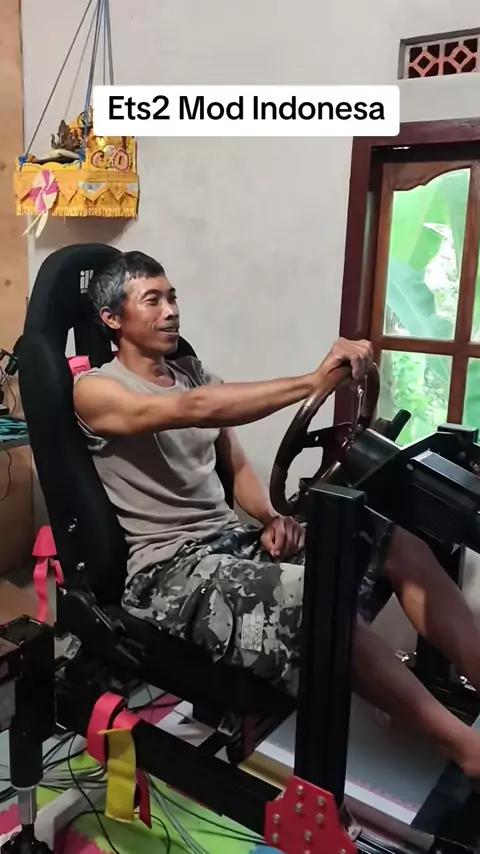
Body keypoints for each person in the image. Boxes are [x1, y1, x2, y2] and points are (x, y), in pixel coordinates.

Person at [73, 250, 480, 782]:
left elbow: (236, 464)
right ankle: (468, 752)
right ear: (112, 318)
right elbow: (192, 410)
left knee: (396, 544)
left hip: (228, 540)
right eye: (152, 300)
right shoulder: (95, 390)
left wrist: (268, 517)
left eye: (172, 297)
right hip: (167, 569)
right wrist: (312, 381)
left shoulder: (193, 372)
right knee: (319, 599)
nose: (170, 310)